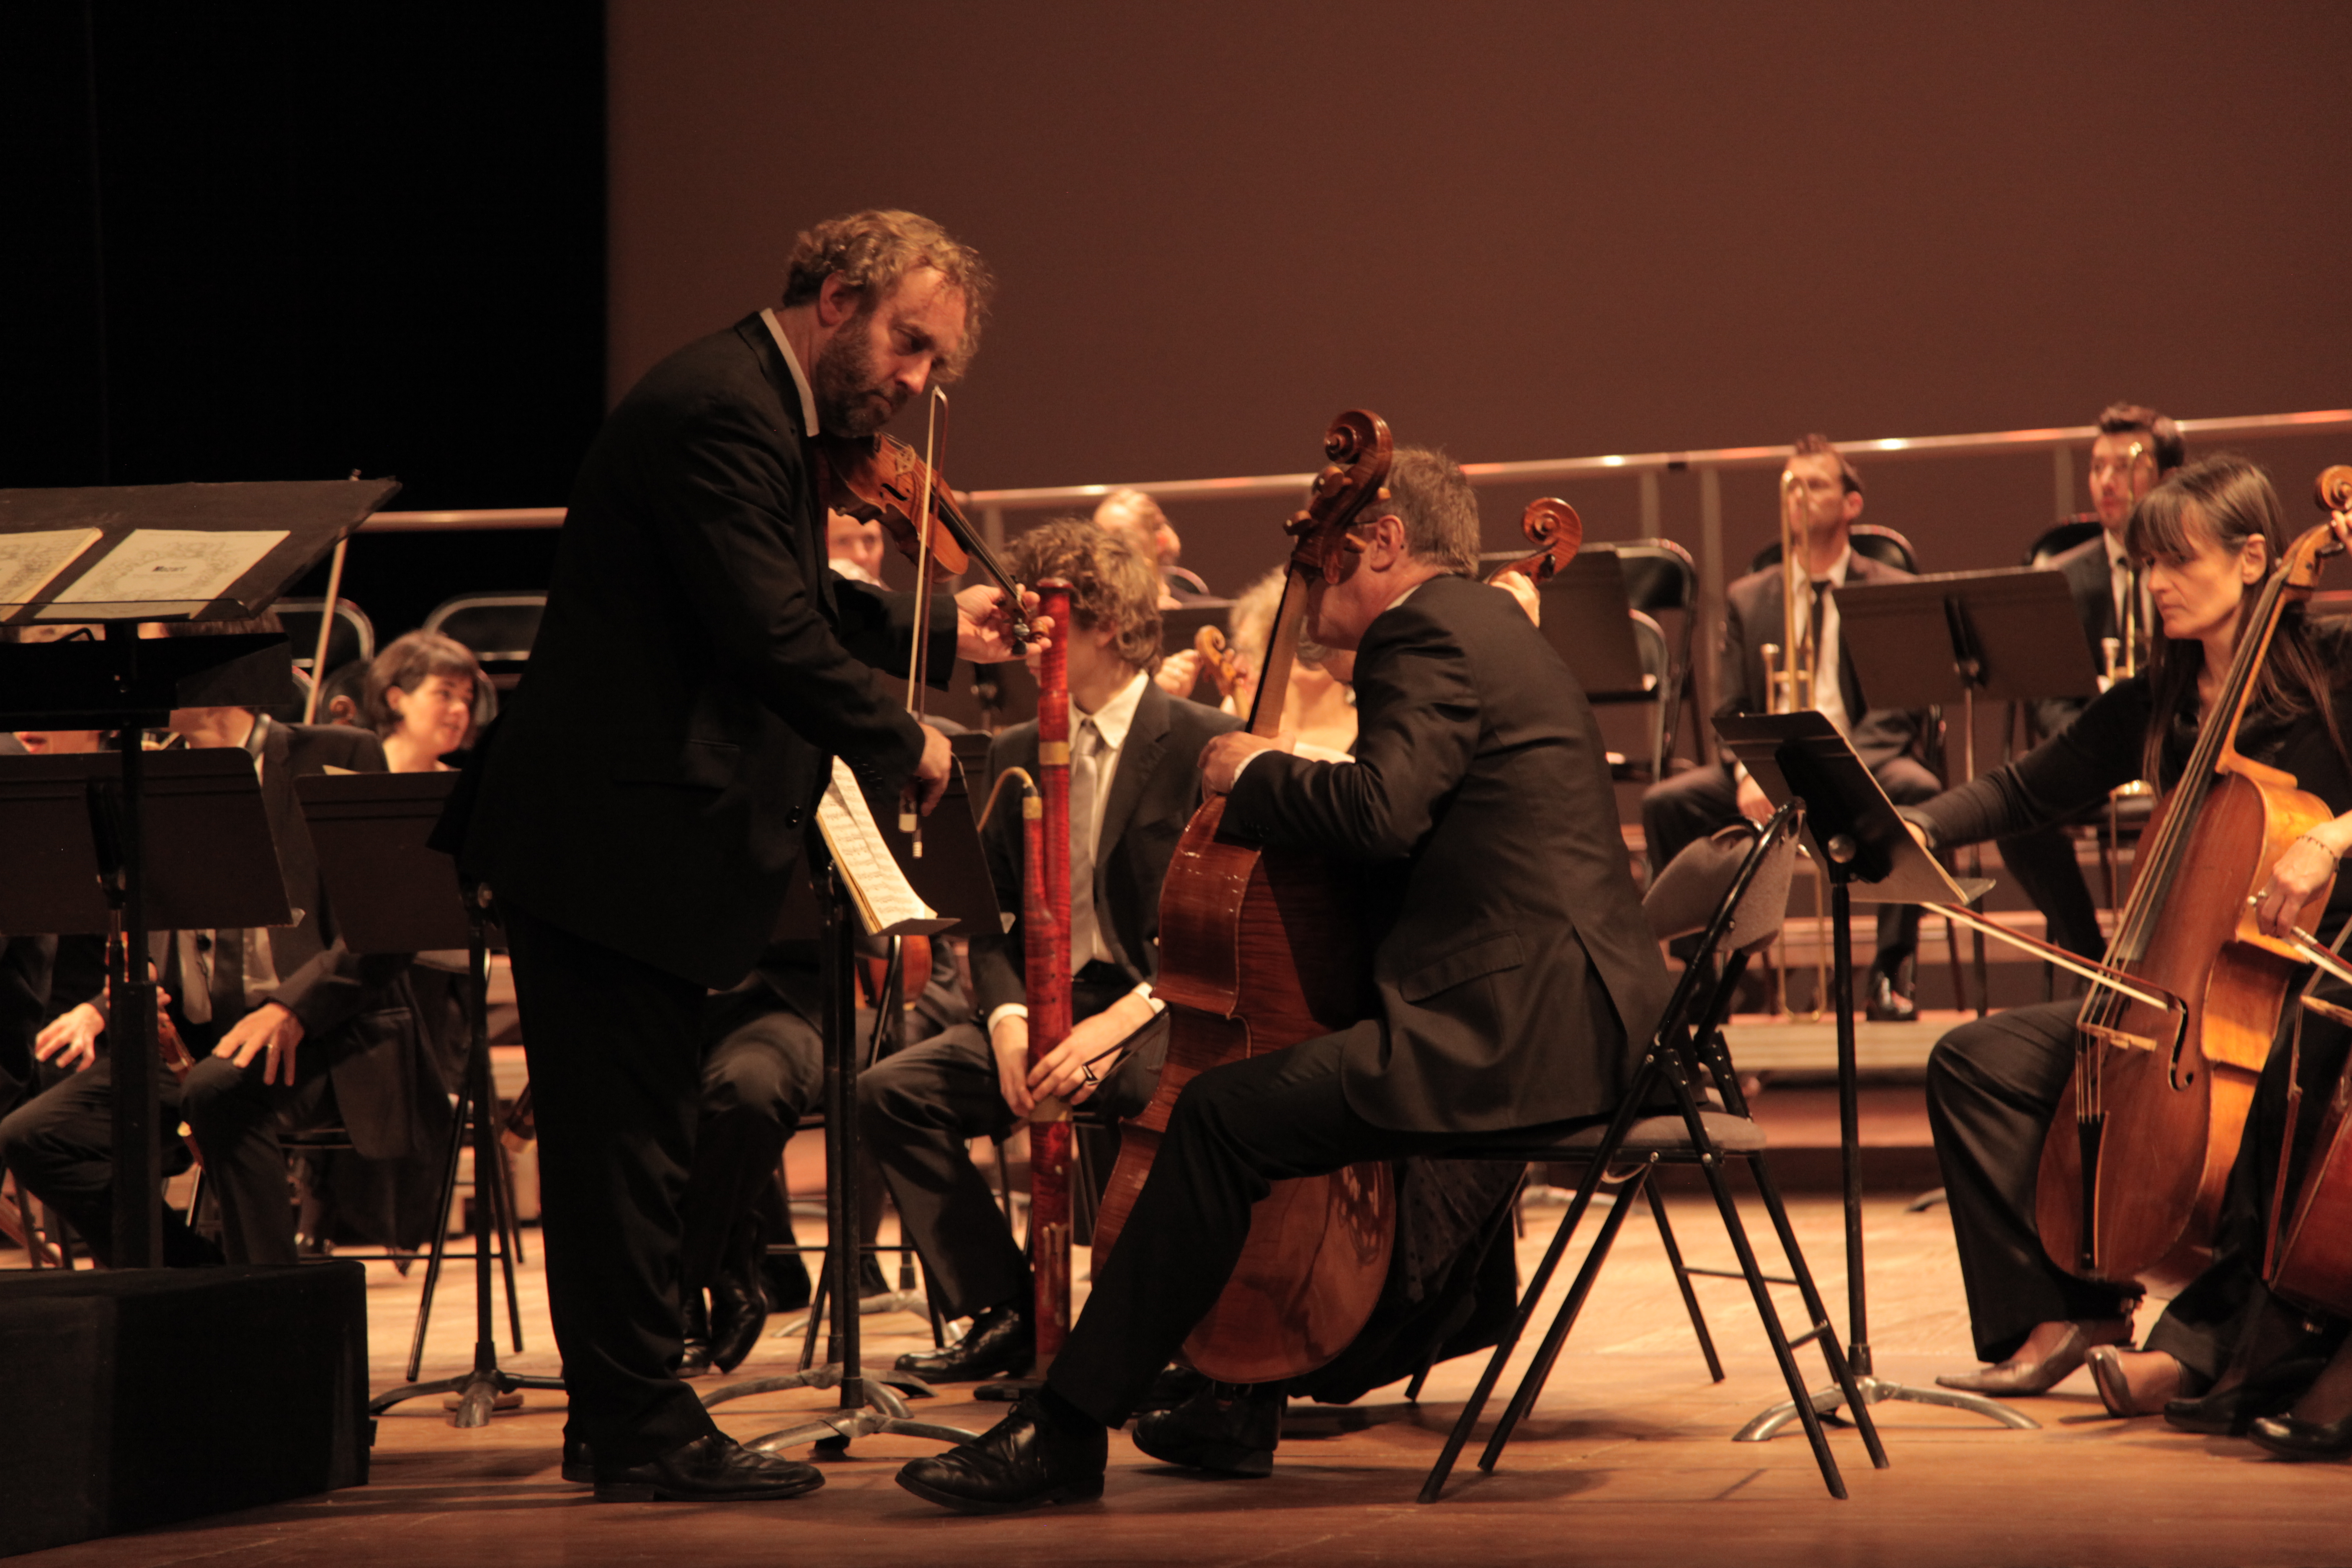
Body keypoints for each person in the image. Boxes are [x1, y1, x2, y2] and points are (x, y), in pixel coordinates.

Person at [894, 445, 1670, 1512]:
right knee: (1243, 1108)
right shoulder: (1489, 626)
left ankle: (1066, 1431)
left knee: (1218, 1116)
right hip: (1565, 1016)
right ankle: (1225, 1402)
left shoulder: (1423, 630)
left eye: (1328, 559)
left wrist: (1252, 767)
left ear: (1385, 541)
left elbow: (1382, 811)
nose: (1312, 582)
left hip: (1509, 1030)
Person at [449, 208, 1039, 1504]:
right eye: (911, 344)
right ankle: (639, 1431)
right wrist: (906, 737)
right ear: (837, 300)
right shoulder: (723, 410)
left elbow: (795, 599)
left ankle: (623, 1420)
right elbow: (769, 630)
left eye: (936, 361)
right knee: (624, 1153)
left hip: (629, 841)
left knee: (637, 1145)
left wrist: (943, 635)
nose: (917, 381)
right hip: (610, 840)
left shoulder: (755, 407)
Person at [1902, 456, 2352, 1399]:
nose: (2155, 584)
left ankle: (2200, 1354)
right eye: (2146, 564)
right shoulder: (2157, 699)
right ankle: (2071, 1309)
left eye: (2177, 561)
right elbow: (2024, 790)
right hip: (2182, 996)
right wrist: (1914, 825)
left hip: (2316, 982)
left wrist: (2333, 840)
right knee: (1974, 1063)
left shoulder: (2338, 667)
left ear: (2254, 559)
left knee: (2284, 1081)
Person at [860, 518, 1238, 1383]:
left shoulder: (1203, 740)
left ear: (1105, 622)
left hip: (1156, 1006)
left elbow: (1220, 927)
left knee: (1157, 1099)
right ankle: (1005, 1307)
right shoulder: (1014, 750)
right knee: (892, 1092)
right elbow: (991, 914)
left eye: (1042, 621)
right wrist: (1005, 1021)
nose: (1025, 642)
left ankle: (1149, 1331)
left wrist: (1114, 1027)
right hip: (1044, 1003)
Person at [0, 627, 433, 1268]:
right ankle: (197, 1280)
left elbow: (387, 924)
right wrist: (110, 1001)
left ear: (207, 667)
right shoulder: (151, 773)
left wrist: (291, 1008)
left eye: (151, 652)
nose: (133, 674)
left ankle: (272, 1304)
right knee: (34, 1136)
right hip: (200, 1045)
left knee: (218, 1091)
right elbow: (164, 939)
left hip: (325, 1033)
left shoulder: (339, 752)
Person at [1640, 434, 1938, 1020]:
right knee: (1667, 804)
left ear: (1852, 504)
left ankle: (1889, 973)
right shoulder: (1749, 598)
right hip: (1772, 767)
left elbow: (1899, 710)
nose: (1799, 496)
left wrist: (1837, 767)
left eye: (1816, 485)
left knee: (1919, 790)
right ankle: (1702, 980)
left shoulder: (1890, 590)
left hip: (1860, 763)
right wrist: (1752, 772)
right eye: (1791, 486)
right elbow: (1732, 708)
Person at [1998, 404, 2189, 963]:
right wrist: (2102, 744)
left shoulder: (2197, 569)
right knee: (2018, 820)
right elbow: (2048, 703)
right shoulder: (2059, 579)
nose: (2107, 482)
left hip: (2180, 752)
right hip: (2097, 756)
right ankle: (2089, 961)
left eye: (2124, 467)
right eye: (2098, 467)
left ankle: (2174, 957)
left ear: (2167, 478)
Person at [363, 630, 494, 773]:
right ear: (396, 700)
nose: (461, 708)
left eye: (466, 699)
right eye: (445, 694)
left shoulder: (463, 783)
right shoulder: (353, 777)